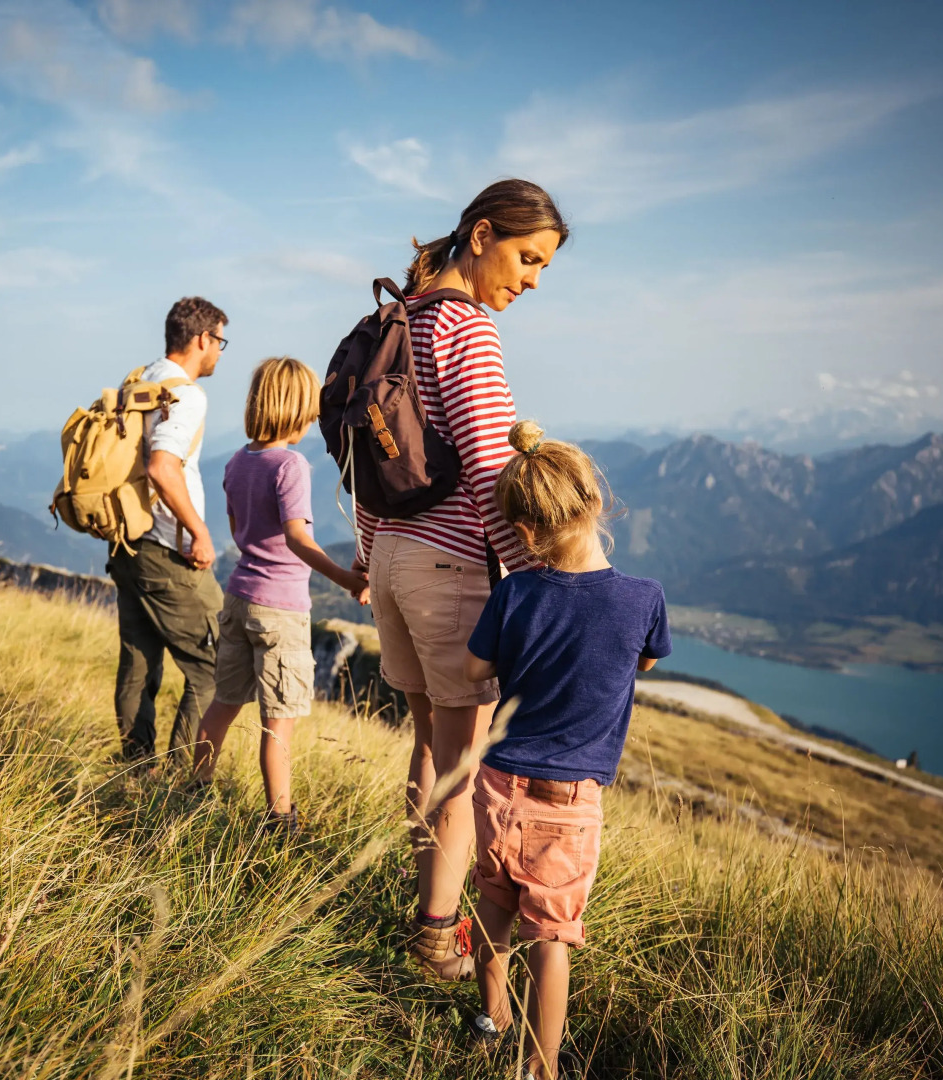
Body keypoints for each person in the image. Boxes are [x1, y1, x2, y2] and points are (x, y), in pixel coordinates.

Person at [350, 179, 568, 978]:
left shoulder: (400, 317)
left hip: (398, 560)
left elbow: (370, 459)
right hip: (449, 568)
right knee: (461, 760)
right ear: (481, 235)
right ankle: (437, 936)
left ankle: (429, 906)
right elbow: (488, 465)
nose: (533, 280)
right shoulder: (469, 328)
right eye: (527, 258)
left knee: (429, 748)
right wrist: (539, 578)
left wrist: (372, 557)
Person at [462, 421, 671, 1080]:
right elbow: (645, 663)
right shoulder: (643, 600)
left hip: (497, 784)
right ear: (596, 503)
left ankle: (489, 1023)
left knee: (493, 910)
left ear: (524, 533)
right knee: (549, 935)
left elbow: (474, 674)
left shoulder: (516, 591)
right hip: (568, 798)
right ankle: (541, 1066)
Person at [190, 357, 370, 832]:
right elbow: (297, 538)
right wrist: (345, 578)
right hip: (280, 608)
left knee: (223, 704)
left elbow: (237, 530)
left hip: (239, 597)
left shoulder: (237, 461)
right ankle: (280, 821)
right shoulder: (291, 464)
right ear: (298, 408)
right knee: (279, 722)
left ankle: (195, 789)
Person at [106, 297, 229, 768]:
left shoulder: (136, 380)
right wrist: (199, 531)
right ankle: (181, 784)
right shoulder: (188, 395)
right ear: (202, 339)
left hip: (127, 541)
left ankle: (137, 770)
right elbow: (162, 466)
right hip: (166, 552)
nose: (219, 352)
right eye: (219, 341)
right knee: (215, 668)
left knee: (138, 663)